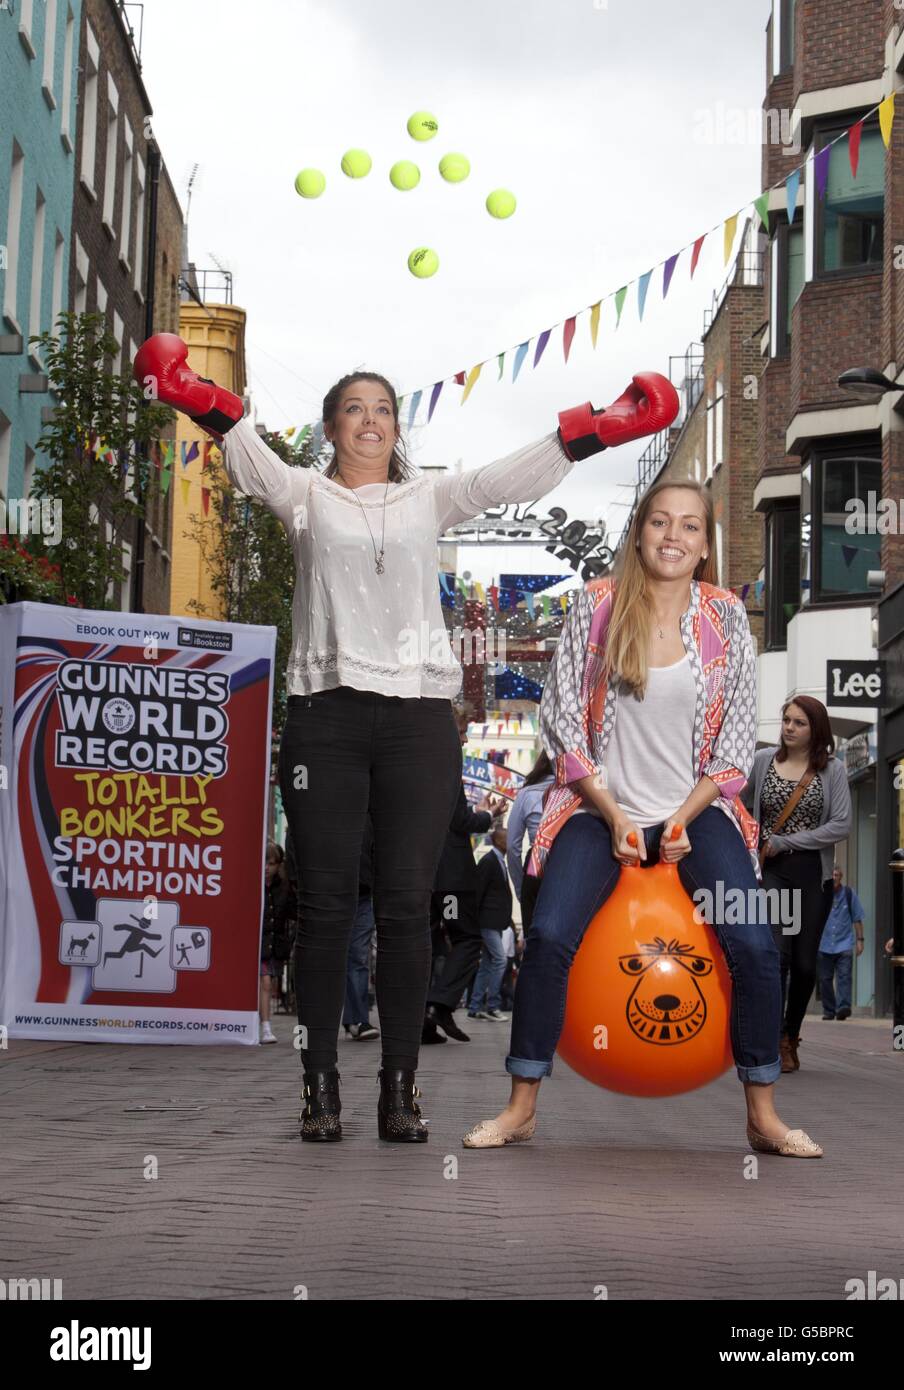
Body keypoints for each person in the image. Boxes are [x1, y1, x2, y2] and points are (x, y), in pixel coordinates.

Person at [133, 334, 677, 1142]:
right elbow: (245, 455)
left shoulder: (428, 498)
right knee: (322, 911)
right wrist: (191, 394)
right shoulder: (304, 496)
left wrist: (597, 427)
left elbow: (504, 477)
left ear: (397, 428)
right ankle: (319, 1089)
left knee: (405, 907)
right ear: (331, 429)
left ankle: (399, 1090)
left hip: (419, 717)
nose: (371, 420)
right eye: (353, 408)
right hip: (328, 714)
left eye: (383, 408)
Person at [462, 479, 823, 1158]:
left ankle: (762, 1113)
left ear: (705, 544)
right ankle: (521, 1105)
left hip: (698, 811)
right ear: (640, 533)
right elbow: (563, 724)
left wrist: (685, 818)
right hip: (599, 811)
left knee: (752, 945)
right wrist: (614, 813)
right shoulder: (596, 606)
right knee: (548, 935)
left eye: (690, 526)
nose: (673, 537)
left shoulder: (725, 619)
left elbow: (735, 747)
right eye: (661, 523)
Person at [741, 697, 852, 1073]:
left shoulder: (832, 770)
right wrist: (750, 842)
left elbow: (841, 825)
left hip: (811, 874)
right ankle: (773, 1041)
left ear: (815, 729)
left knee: (806, 965)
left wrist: (787, 840)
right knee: (777, 956)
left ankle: (791, 1032)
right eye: (787, 720)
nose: (789, 727)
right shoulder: (762, 761)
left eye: (799, 723)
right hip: (771, 871)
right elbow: (738, 804)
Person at [424, 712, 506, 1043]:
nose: (465, 739)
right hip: (451, 879)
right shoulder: (447, 767)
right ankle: (438, 1005)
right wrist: (487, 815)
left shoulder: (417, 767)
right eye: (462, 731)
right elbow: (460, 821)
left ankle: (426, 1019)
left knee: (427, 944)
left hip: (424, 872)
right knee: (468, 939)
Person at [467, 825, 514, 1020]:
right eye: (508, 838)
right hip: (487, 922)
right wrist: (474, 923)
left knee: (487, 964)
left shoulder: (499, 861)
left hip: (496, 922)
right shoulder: (488, 861)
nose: (511, 842)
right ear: (499, 841)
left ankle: (474, 1007)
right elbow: (478, 892)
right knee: (500, 960)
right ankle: (492, 1006)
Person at [506, 751, 555, 936]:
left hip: (535, 862)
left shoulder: (526, 794)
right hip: (566, 859)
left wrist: (520, 890)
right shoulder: (575, 791)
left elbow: (512, 847)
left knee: (533, 939)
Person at [342, 813, 380, 1040]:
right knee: (337, 959)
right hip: (333, 892)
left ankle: (359, 1019)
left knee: (357, 957)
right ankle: (351, 1019)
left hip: (364, 892)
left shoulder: (370, 813)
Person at [817, 866, 865, 1022]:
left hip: (844, 944)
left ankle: (843, 1008)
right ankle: (829, 1010)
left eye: (837, 874)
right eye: (833, 875)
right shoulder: (822, 894)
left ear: (841, 876)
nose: (835, 877)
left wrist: (860, 941)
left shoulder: (849, 894)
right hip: (824, 944)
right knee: (825, 979)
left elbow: (857, 919)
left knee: (844, 977)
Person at [260, 842, 295, 1043]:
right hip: (256, 943)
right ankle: (265, 1026)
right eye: (264, 862)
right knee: (264, 982)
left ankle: (263, 1024)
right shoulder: (251, 884)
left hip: (273, 944)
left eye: (271, 863)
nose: (266, 868)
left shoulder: (283, 887)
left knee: (267, 982)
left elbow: (292, 912)